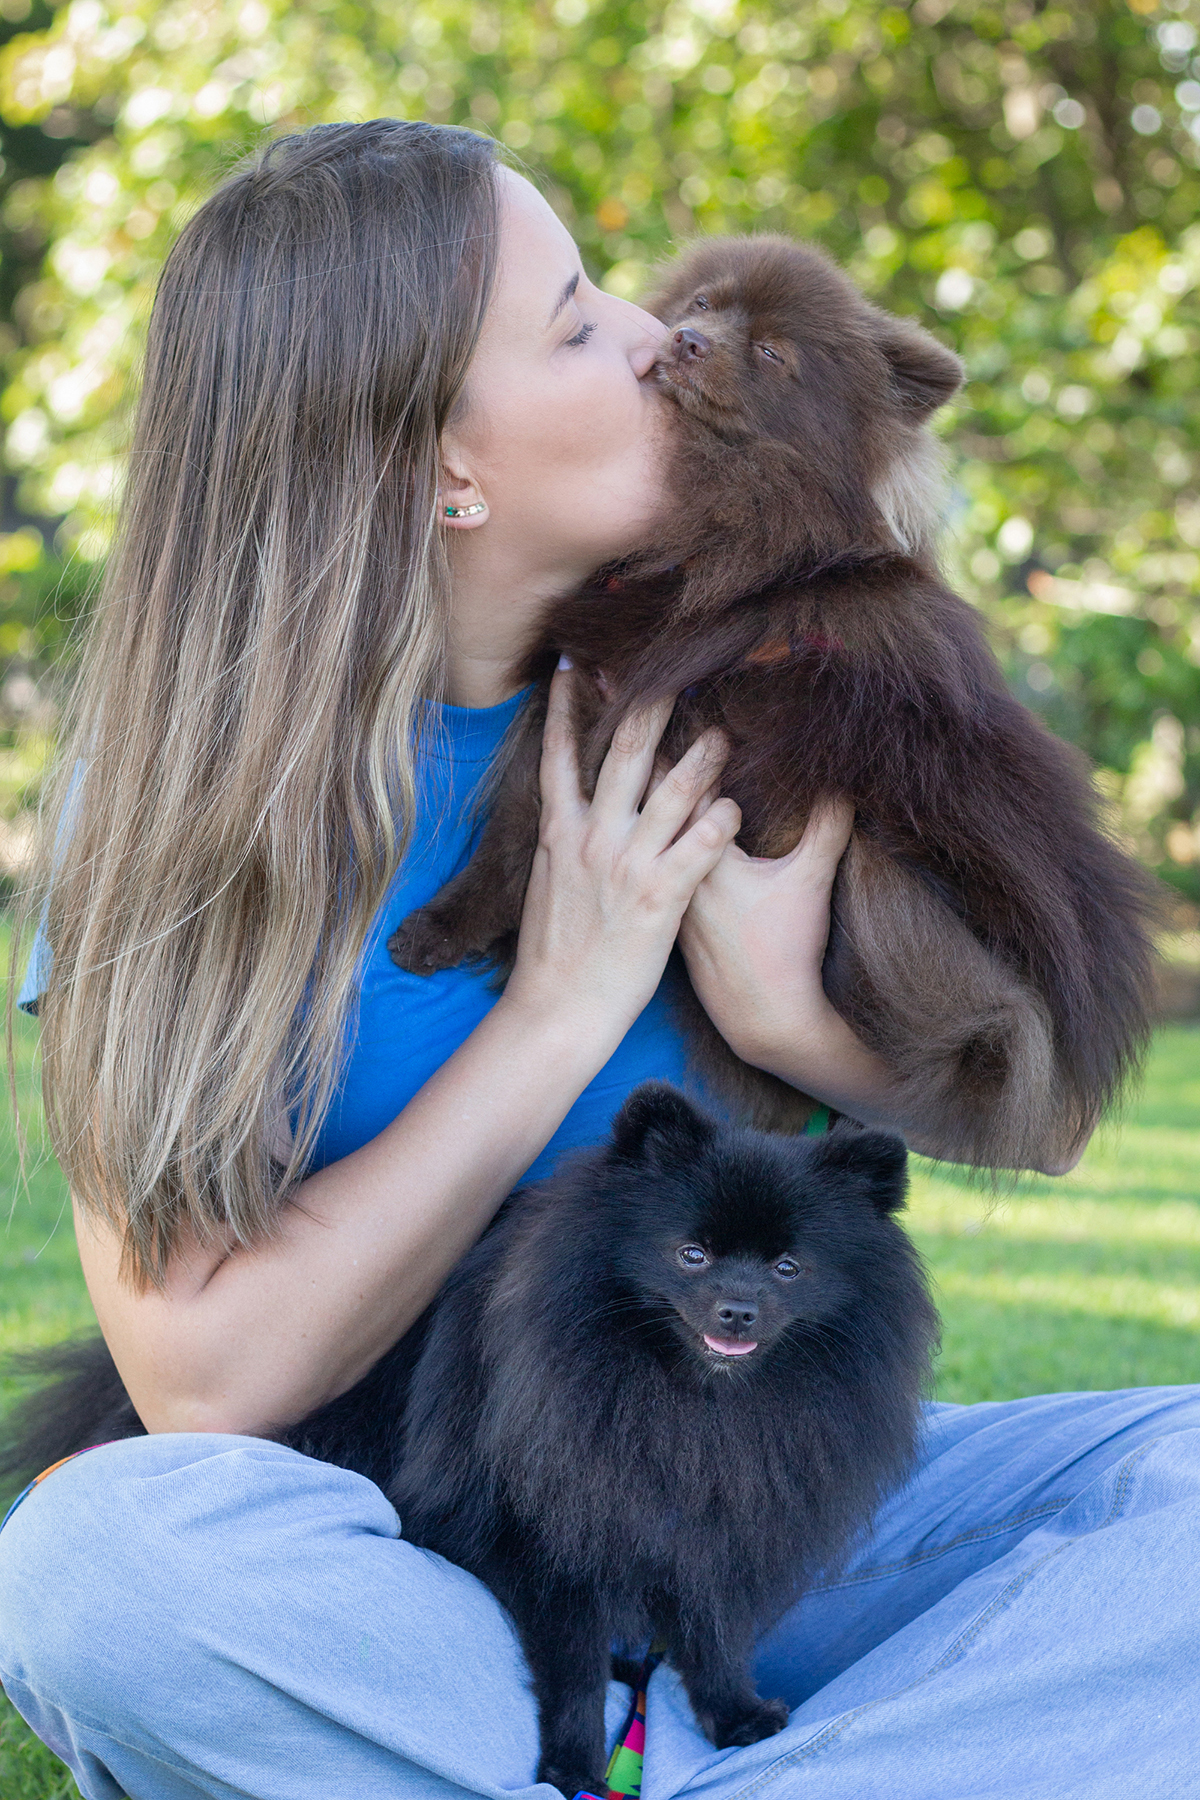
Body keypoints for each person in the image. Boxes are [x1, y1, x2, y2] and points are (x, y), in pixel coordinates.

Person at [0, 120, 1196, 1800]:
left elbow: (1041, 1121)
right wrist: (556, 1009)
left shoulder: (775, 680)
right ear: (438, 466)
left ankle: (655, 1763)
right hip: (433, 1558)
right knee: (107, 1566)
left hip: (755, 1538)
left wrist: (788, 1012)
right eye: (573, 320)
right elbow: (203, 1379)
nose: (654, 333)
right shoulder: (186, 815)